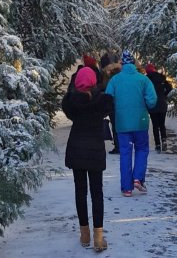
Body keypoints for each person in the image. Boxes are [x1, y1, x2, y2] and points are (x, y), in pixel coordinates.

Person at [62, 66, 113, 252]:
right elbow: (108, 104)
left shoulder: (72, 103)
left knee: (80, 192)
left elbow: (67, 103)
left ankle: (84, 233)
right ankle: (98, 237)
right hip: (95, 150)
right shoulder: (102, 102)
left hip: (76, 149)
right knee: (97, 193)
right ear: (94, 82)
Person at [105, 50, 157, 196]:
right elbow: (152, 101)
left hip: (122, 123)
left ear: (122, 63)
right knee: (141, 149)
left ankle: (127, 188)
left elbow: (107, 99)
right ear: (133, 63)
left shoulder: (115, 80)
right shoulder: (143, 80)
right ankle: (138, 178)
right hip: (140, 122)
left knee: (125, 154)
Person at [145, 63, 173, 152]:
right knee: (162, 124)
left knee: (155, 125)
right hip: (162, 104)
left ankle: (157, 145)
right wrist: (164, 96)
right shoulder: (161, 78)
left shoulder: (146, 80)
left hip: (152, 104)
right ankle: (164, 140)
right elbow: (169, 88)